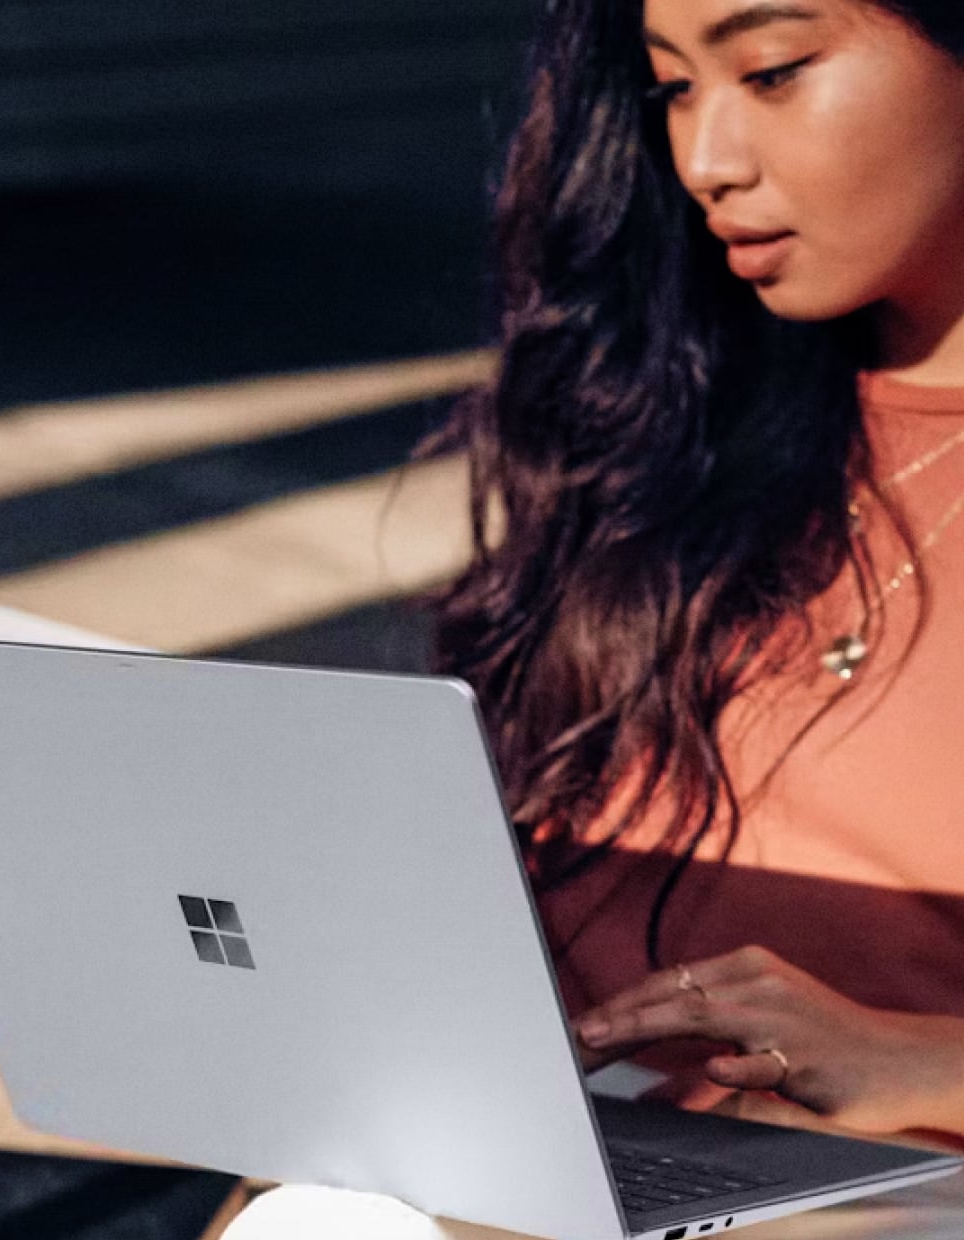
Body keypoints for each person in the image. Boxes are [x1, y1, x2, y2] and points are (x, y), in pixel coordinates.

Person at [428, 0, 964, 1142]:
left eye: (770, 72)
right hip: (535, 1152)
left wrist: (935, 1059)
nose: (703, 160)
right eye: (671, 89)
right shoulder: (669, 419)